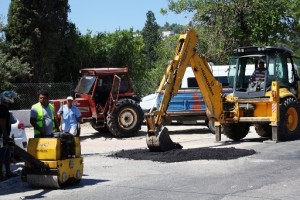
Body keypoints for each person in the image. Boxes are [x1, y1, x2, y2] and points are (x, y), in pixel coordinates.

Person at [0, 90, 17, 180]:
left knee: (7, 155)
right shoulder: (2, 109)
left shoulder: (4, 109)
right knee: (1, 156)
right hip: (2, 137)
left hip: (4, 136)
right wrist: (5, 136)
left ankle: (8, 172)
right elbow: (2, 124)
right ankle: (1, 175)